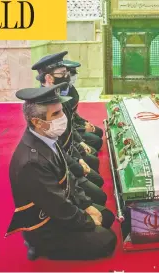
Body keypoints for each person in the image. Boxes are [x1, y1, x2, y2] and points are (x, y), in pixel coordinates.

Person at [5, 83, 116, 260]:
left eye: (61, 111)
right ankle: (40, 246)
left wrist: (86, 204)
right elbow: (58, 207)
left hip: (61, 204)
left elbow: (68, 177)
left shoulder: (46, 136)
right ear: (36, 121)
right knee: (108, 240)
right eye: (56, 114)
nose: (63, 117)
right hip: (46, 225)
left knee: (107, 217)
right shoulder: (31, 162)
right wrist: (87, 221)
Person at [32, 52, 106, 204]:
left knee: (95, 167)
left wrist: (79, 152)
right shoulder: (41, 108)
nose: (67, 76)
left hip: (70, 152)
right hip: (61, 167)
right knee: (99, 195)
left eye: (66, 72)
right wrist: (77, 163)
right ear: (48, 78)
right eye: (62, 72)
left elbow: (70, 127)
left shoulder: (60, 97)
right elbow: (55, 149)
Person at [63, 60, 104, 151]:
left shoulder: (70, 88)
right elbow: (65, 122)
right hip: (68, 130)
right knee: (97, 142)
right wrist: (82, 128)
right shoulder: (61, 93)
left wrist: (84, 122)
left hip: (75, 124)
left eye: (75, 74)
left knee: (99, 132)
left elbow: (73, 113)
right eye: (72, 74)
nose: (75, 77)